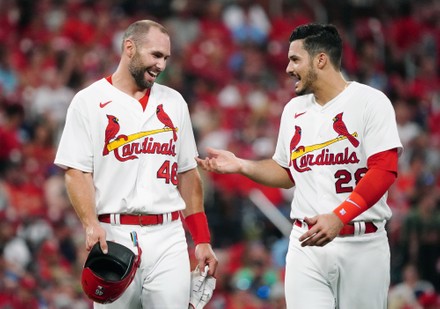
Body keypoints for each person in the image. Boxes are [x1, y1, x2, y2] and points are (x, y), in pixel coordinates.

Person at [196, 23, 402, 308]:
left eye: (295, 59)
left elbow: (385, 169)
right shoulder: (294, 110)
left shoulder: (370, 102)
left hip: (362, 243)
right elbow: (287, 172)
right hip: (306, 242)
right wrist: (242, 165)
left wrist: (340, 215)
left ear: (321, 60)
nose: (288, 68)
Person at [54, 20, 218, 308]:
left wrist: (202, 239)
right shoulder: (89, 101)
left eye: (166, 58)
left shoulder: (174, 102)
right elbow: (76, 171)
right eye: (155, 55)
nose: (161, 65)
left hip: (169, 235)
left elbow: (189, 174)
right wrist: (90, 224)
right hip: (114, 235)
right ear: (129, 48)